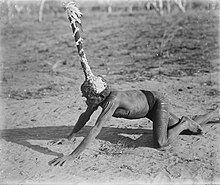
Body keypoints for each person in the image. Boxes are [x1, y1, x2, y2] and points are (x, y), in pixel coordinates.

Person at [49, 81, 219, 166]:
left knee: (161, 143)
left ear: (98, 96)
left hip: (157, 102)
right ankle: (215, 112)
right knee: (189, 132)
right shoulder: (98, 99)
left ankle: (183, 124)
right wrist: (70, 136)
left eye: (87, 97)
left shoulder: (111, 101)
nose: (85, 99)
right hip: (149, 104)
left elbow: (95, 129)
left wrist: (72, 156)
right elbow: (85, 117)